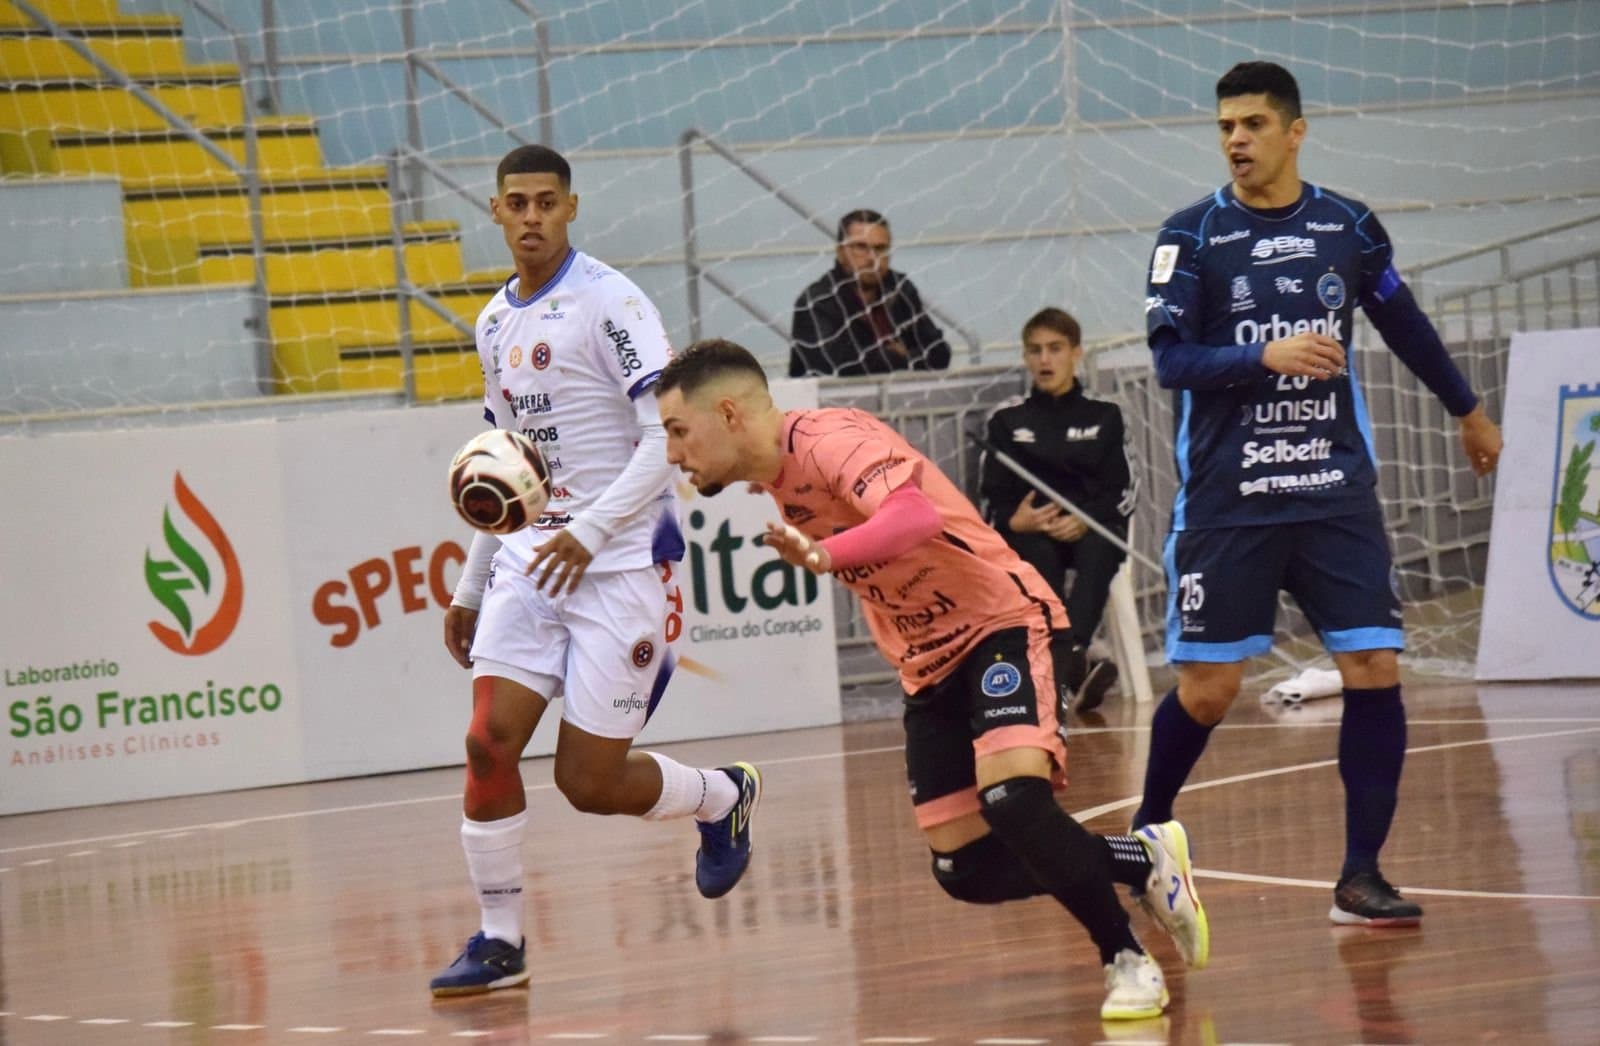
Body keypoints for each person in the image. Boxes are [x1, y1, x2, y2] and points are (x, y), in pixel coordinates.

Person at [656, 338, 1210, 1022]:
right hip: (926, 661)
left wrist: (825, 554)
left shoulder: (830, 439)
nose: (673, 452)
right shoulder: (774, 479)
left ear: (728, 413)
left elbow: (913, 516)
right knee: (964, 870)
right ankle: (1139, 860)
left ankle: (1125, 958)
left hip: (999, 623)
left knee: (1013, 800)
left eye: (678, 430)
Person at [1135, 61, 1504, 927]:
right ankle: (1145, 839)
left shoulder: (1349, 226)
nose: (1236, 140)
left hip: (1334, 489)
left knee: (1374, 666)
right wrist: (1261, 356)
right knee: (1209, 691)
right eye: (1226, 126)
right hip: (1229, 500)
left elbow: (1402, 321)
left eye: (1254, 124)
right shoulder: (1189, 236)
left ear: (1295, 132)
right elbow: (1170, 361)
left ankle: (1360, 877)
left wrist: (1468, 409)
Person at [429, 145, 761, 997]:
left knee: (588, 783)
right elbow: (507, 465)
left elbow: (664, 437)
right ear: (495, 211)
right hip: (531, 564)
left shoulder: (612, 302)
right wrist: (471, 586)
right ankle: (500, 941)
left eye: (547, 202)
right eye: (516, 203)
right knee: (486, 742)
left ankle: (719, 797)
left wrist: (593, 529)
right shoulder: (492, 323)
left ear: (570, 208)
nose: (532, 216)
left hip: (618, 570)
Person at [980, 307, 1136, 714]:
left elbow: (1125, 489)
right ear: (1025, 356)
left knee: (1102, 548)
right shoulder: (1005, 419)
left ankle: (1067, 657)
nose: (1044, 360)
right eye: (1035, 350)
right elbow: (989, 497)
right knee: (1037, 556)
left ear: (1076, 352)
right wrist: (1014, 520)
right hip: (1030, 532)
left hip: (1090, 526)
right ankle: (1075, 663)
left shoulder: (1106, 413)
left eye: (1055, 348)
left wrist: (1085, 520)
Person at [789, 209, 952, 377]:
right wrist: (903, 356)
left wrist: (895, 357)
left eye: (880, 248)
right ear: (841, 252)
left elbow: (940, 353)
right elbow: (838, 367)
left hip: (900, 392)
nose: (872, 258)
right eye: (861, 247)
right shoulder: (817, 301)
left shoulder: (899, 289)